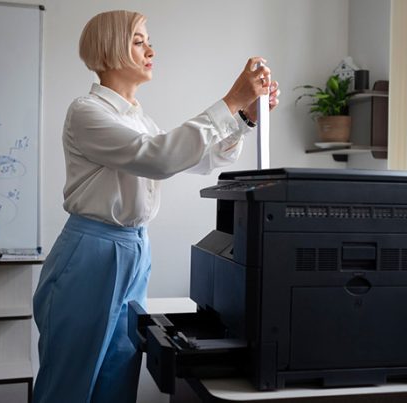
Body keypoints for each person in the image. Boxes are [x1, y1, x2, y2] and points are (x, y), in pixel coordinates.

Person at [32, 9, 280, 403]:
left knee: (118, 374)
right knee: (70, 383)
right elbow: (159, 157)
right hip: (92, 251)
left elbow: (199, 159)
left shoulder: (140, 120)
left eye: (147, 40)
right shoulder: (87, 112)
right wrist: (231, 100)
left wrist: (245, 119)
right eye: (139, 40)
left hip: (133, 249)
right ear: (110, 50)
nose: (151, 49)